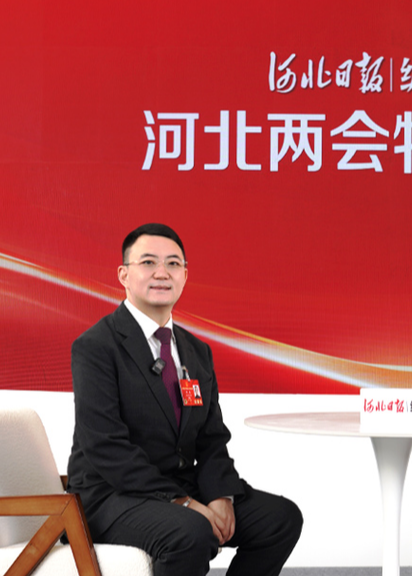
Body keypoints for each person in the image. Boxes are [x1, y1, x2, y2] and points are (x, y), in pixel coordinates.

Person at [66, 223, 302, 576]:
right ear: (124, 275)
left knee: (280, 519)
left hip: (179, 485)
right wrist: (184, 502)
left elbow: (211, 438)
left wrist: (221, 496)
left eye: (173, 264)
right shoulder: (96, 347)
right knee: (191, 531)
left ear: (185, 276)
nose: (162, 273)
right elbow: (105, 447)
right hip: (111, 495)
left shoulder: (195, 350)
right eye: (148, 262)